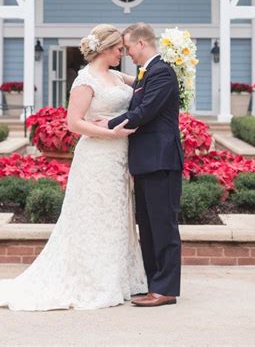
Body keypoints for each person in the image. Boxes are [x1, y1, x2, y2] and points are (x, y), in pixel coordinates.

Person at [0, 24, 147, 311]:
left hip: (119, 156)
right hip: (97, 155)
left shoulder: (117, 75)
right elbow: (73, 122)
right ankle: (94, 281)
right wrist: (111, 133)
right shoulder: (85, 80)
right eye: (119, 49)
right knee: (94, 216)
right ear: (105, 49)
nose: (123, 53)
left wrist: (171, 69)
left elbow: (147, 82)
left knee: (117, 215)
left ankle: (118, 278)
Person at [97, 22, 183, 308]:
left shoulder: (162, 73)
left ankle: (166, 289)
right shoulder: (146, 74)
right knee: (147, 226)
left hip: (161, 161)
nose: (126, 53)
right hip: (146, 161)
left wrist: (106, 124)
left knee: (163, 226)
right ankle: (153, 284)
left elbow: (144, 112)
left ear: (142, 44)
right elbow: (138, 100)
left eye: (129, 47)